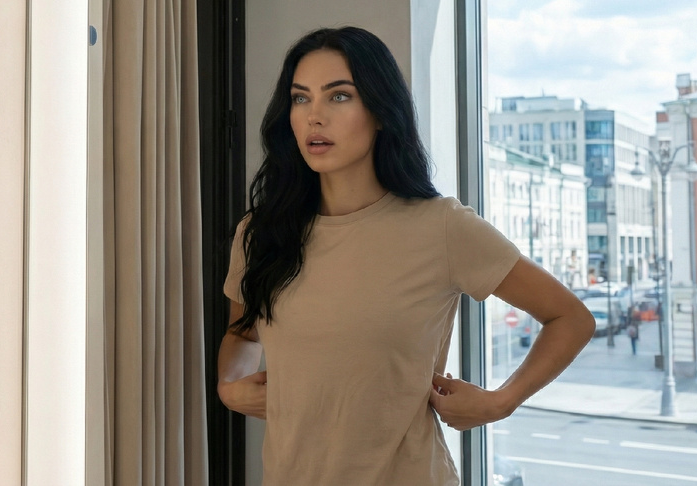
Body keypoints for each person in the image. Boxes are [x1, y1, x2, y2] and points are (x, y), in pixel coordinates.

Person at [216, 27, 595, 485]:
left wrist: (501, 401)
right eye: (301, 98)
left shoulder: (442, 227)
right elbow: (242, 334)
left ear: (380, 111)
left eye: (339, 96)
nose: (314, 116)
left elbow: (571, 318)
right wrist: (230, 387)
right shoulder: (262, 232)